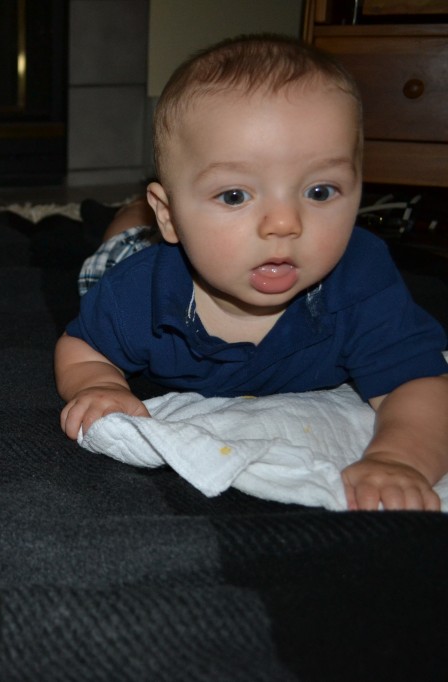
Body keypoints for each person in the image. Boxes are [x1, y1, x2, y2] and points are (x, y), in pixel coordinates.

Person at [55, 34, 448, 512]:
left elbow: (418, 384)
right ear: (172, 215)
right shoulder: (137, 293)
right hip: (135, 256)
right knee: (120, 241)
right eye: (235, 195)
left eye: (320, 191)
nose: (285, 224)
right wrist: (99, 385)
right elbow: (82, 346)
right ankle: (134, 216)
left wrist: (400, 459)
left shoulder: (362, 283)